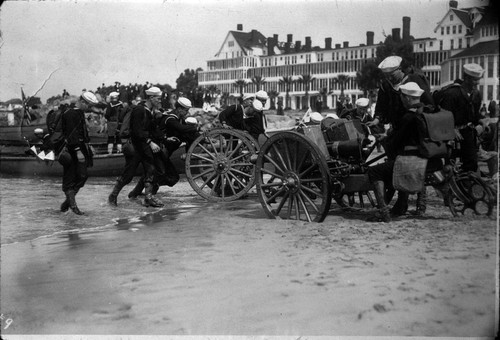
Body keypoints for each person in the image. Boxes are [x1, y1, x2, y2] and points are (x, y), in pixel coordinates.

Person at [367, 55, 435, 216]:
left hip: (408, 130)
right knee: (400, 169)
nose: (390, 78)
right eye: (387, 76)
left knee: (409, 167)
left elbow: (429, 103)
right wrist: (377, 120)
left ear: (400, 70)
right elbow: (381, 107)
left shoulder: (413, 81)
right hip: (398, 128)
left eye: (392, 75)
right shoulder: (386, 86)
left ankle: (419, 203)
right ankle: (402, 203)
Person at [128, 97, 201, 198]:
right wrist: (197, 130)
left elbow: (188, 136)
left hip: (162, 153)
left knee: (151, 174)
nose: (187, 113)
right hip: (157, 151)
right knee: (170, 177)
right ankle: (149, 195)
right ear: (179, 109)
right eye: (186, 110)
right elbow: (182, 129)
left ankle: (135, 194)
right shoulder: (170, 119)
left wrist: (201, 137)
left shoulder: (178, 120)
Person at [108, 86, 164, 208]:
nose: (160, 101)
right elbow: (136, 131)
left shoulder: (150, 111)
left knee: (150, 170)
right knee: (128, 175)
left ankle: (148, 198)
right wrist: (150, 142)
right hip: (136, 147)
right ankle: (113, 195)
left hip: (144, 146)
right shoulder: (139, 110)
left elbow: (151, 130)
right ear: (151, 97)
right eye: (158, 99)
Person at [434, 63, 484, 174]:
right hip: (450, 135)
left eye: (478, 79)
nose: (477, 83)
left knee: (471, 163)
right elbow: (443, 115)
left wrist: (481, 122)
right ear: (466, 78)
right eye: (475, 80)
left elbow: (475, 116)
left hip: (467, 132)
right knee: (450, 165)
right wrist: (452, 129)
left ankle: (467, 186)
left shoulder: (476, 95)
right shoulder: (452, 93)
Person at [59, 91, 98, 215]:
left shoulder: (79, 113)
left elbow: (82, 132)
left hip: (81, 147)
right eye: (88, 105)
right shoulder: (70, 113)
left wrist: (88, 144)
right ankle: (73, 207)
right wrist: (77, 151)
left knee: (83, 175)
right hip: (72, 149)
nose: (89, 108)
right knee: (70, 177)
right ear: (82, 102)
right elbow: (71, 134)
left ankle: (67, 203)